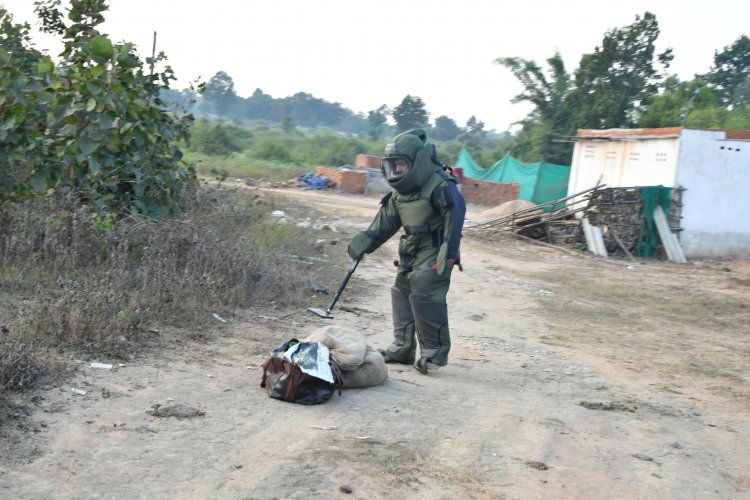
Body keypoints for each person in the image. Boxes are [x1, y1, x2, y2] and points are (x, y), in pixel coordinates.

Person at [347, 129, 465, 374]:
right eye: (394, 164)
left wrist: (450, 250)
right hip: (410, 247)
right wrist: (365, 242)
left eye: (402, 163)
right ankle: (402, 347)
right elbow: (385, 222)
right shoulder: (400, 193)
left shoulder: (440, 183)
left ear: (417, 161)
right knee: (401, 290)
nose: (398, 169)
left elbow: (455, 212)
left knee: (424, 289)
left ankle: (434, 353)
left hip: (434, 247)